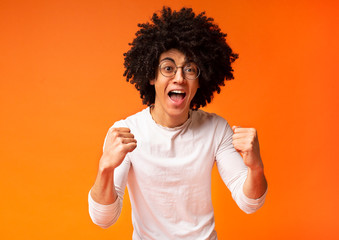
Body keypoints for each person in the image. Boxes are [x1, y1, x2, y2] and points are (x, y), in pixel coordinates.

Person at [88, 6, 267, 240]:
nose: (180, 78)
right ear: (152, 76)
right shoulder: (126, 133)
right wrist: (105, 168)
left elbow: (249, 203)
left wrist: (256, 167)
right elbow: (103, 219)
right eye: (168, 68)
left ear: (200, 80)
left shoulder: (216, 129)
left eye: (190, 69)